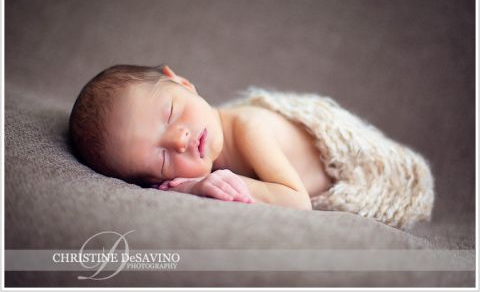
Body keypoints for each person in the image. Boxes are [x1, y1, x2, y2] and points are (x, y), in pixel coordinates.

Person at [69, 64, 434, 229]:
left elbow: (296, 202)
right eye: (163, 159)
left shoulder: (248, 126)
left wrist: (200, 186)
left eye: (169, 113)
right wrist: (196, 185)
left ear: (181, 83)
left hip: (387, 177)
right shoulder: (211, 145)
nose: (178, 139)